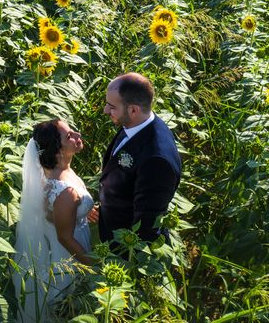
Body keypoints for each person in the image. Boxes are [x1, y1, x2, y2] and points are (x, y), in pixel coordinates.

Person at [13, 119, 98, 322]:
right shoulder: (63, 190)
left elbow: (51, 214)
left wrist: (81, 211)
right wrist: (95, 267)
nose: (77, 135)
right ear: (57, 149)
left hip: (72, 243)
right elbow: (65, 238)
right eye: (69, 136)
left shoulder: (61, 171)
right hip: (71, 255)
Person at [99, 72, 181, 244]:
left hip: (125, 249)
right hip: (110, 228)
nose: (106, 110)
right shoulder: (134, 124)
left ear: (133, 110)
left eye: (111, 106)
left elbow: (146, 223)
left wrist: (127, 257)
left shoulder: (156, 160)